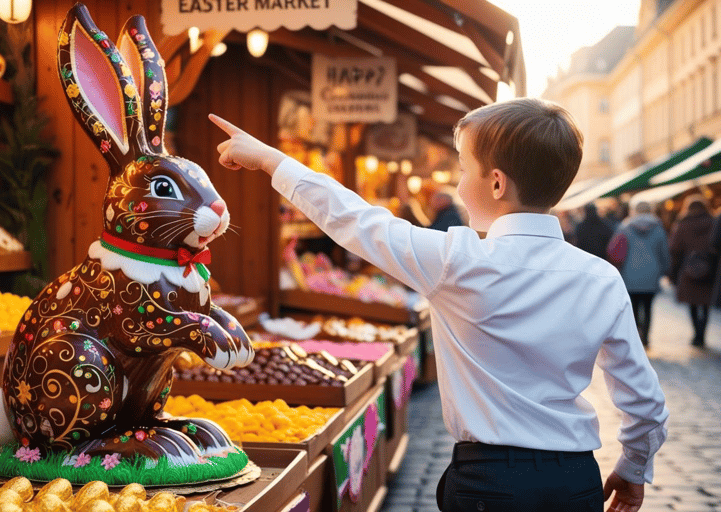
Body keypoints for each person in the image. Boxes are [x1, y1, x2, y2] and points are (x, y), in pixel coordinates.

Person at [208, 97, 668, 512]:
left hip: (490, 481)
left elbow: (355, 221)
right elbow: (644, 401)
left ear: (495, 183)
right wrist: (632, 468)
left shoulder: (457, 260)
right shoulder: (601, 278)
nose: (457, 182)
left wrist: (270, 160)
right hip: (573, 481)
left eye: (463, 169)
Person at [614, 201, 670, 347]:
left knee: (633, 306)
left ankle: (636, 336)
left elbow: (617, 250)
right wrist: (665, 269)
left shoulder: (625, 227)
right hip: (652, 273)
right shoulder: (658, 227)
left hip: (629, 273)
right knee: (648, 306)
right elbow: (664, 251)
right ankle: (645, 336)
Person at [669, 194, 715, 347]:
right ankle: (702, 333)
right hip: (709, 267)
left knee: (693, 303)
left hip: (688, 267)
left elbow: (675, 247)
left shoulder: (683, 223)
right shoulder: (713, 222)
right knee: (706, 303)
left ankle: (696, 333)